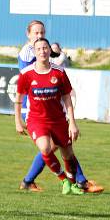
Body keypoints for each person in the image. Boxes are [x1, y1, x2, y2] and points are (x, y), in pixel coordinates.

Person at [16, 20, 103, 194]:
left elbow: (49, 62)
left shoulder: (41, 51)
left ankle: (30, 180)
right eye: (36, 33)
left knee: (55, 146)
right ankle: (80, 181)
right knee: (52, 147)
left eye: (42, 33)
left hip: (50, 108)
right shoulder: (27, 52)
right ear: (28, 35)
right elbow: (35, 69)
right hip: (35, 107)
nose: (39, 37)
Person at [15, 37, 82, 195]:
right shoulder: (26, 74)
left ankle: (72, 184)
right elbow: (18, 100)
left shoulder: (59, 72)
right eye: (39, 49)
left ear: (49, 50)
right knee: (45, 148)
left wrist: (72, 122)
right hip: (36, 120)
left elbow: (66, 97)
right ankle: (63, 180)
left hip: (58, 119)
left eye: (45, 48)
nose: (42, 51)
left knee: (68, 153)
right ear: (34, 52)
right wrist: (18, 121)